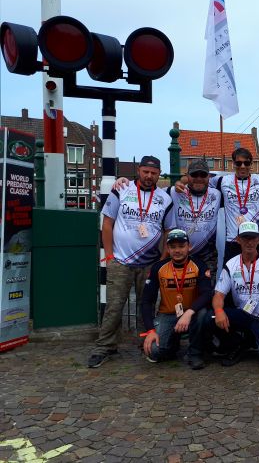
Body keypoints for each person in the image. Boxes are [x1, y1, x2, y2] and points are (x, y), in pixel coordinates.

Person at [88, 156, 175, 368]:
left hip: (150, 262)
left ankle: (145, 344)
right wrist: (109, 256)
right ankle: (105, 346)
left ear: (159, 174)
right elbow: (107, 224)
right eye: (146, 172)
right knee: (114, 306)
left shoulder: (165, 199)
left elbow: (168, 231)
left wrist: (162, 260)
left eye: (153, 173)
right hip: (120, 260)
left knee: (147, 306)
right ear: (139, 170)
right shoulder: (122, 190)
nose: (149, 176)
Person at [210, 221, 259, 374]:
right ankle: (238, 343)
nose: (249, 242)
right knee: (209, 317)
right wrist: (219, 311)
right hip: (243, 314)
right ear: (238, 240)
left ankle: (254, 340)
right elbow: (218, 295)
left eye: (253, 238)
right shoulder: (231, 264)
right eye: (245, 238)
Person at [140, 229, 212, 370]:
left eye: (181, 246)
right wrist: (150, 330)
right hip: (167, 314)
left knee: (204, 313)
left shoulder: (199, 265)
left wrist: (189, 313)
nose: (177, 250)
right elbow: (146, 301)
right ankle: (172, 345)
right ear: (167, 249)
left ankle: (195, 353)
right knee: (153, 352)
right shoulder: (158, 268)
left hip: (192, 314)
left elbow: (207, 294)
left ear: (188, 247)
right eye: (173, 247)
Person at [167, 159, 222, 281]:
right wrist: (124, 182)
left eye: (203, 175)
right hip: (180, 252)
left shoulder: (217, 194)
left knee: (207, 288)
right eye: (194, 175)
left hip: (208, 254)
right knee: (181, 289)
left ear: (209, 177)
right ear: (187, 176)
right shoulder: (174, 192)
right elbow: (152, 192)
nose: (199, 178)